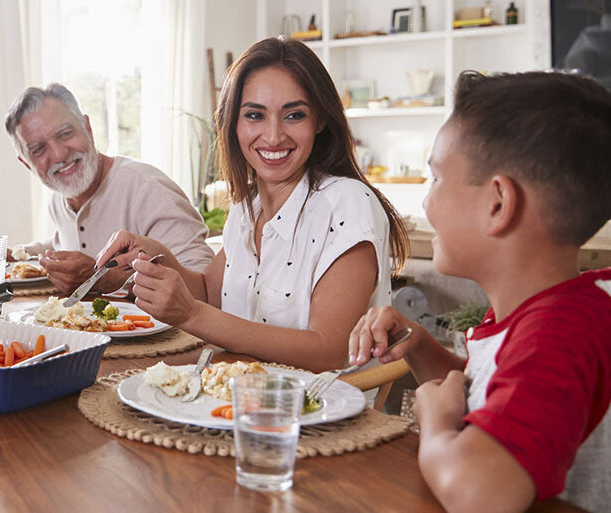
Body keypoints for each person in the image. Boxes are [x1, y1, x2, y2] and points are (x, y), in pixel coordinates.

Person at [350, 71, 611, 511]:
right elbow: (495, 395)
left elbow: (481, 494)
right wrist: (418, 346)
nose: (426, 204)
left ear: (497, 204)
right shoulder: (548, 312)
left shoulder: (560, 334)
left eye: (435, 180)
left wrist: (433, 421)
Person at [95, 37, 409, 373]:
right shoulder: (249, 208)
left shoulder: (348, 204)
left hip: (315, 412)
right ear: (233, 123)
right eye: (255, 115)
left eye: (294, 115)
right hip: (237, 396)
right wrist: (154, 255)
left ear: (320, 120)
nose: (273, 136)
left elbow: (329, 349)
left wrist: (191, 315)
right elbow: (209, 294)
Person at [4, 83, 215, 296]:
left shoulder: (148, 188)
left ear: (87, 127)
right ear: (26, 163)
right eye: (39, 149)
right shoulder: (59, 197)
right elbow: (62, 241)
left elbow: (205, 291)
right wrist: (22, 254)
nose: (59, 154)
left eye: (65, 133)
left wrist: (108, 281)